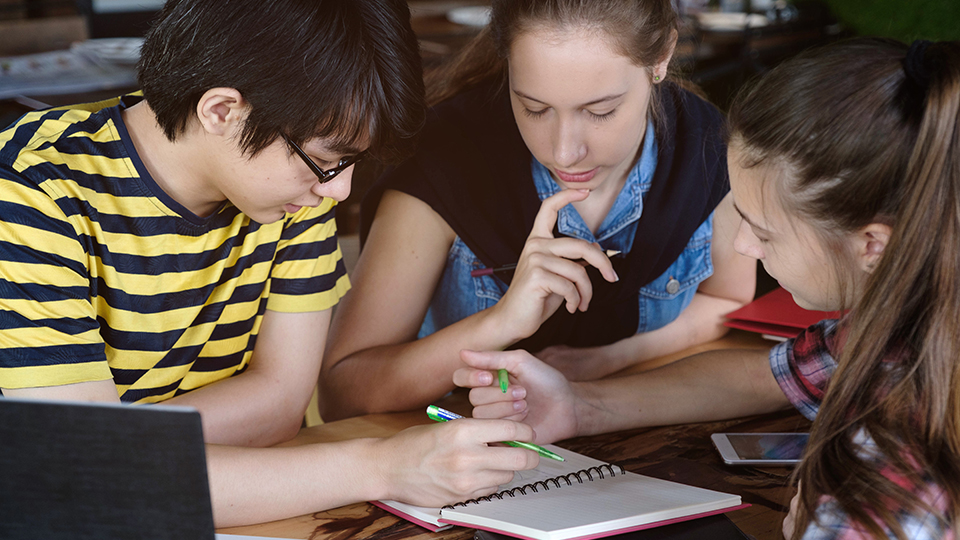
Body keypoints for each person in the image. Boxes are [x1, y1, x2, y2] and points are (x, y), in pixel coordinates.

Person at [0, 0, 540, 528]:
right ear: (222, 111)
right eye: (327, 160)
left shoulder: (292, 193)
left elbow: (280, 404)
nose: (340, 190)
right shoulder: (31, 194)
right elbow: (81, 475)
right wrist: (383, 466)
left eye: (348, 163)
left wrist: (120, 452)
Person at [455, 38, 960, 539]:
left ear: (872, 244)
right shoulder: (904, 330)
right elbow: (770, 375)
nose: (743, 246)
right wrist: (579, 404)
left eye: (763, 231)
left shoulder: (885, 486)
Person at [319, 0, 756, 421]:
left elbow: (730, 301)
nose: (564, 153)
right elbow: (341, 396)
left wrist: (600, 361)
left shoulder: (710, 150)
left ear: (661, 58)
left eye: (600, 111)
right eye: (534, 108)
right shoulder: (444, 166)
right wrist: (500, 321)